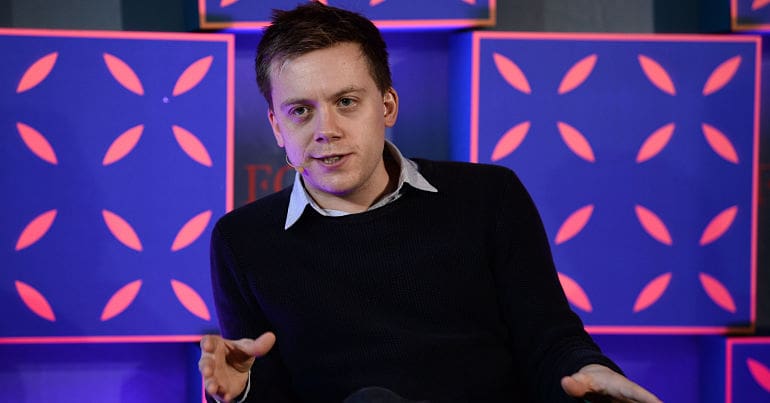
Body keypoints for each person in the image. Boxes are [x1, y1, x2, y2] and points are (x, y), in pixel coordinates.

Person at [198, 2, 663, 402]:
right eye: (301, 110)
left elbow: (549, 339)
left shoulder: (489, 198)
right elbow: (271, 390)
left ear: (387, 106)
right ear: (278, 127)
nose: (326, 131)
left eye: (346, 102)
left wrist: (590, 371)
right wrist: (243, 392)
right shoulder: (243, 241)